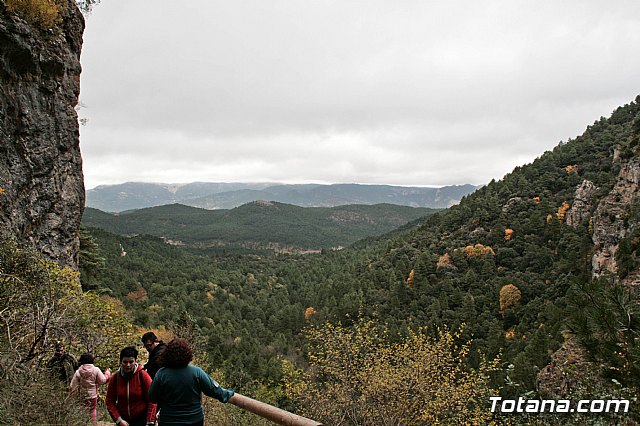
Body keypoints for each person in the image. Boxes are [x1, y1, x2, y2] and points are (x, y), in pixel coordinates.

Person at [148, 339, 234, 426]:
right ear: (187, 353)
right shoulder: (196, 372)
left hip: (169, 420)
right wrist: (227, 394)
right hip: (194, 420)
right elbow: (213, 390)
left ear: (167, 354)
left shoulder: (161, 374)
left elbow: (152, 397)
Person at [106, 346, 156, 426]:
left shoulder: (142, 375)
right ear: (121, 362)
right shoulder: (115, 378)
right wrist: (118, 420)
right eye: (125, 362)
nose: (128, 365)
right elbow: (109, 401)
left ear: (135, 361)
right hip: (123, 420)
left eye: (131, 362)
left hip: (141, 419)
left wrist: (150, 421)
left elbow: (152, 399)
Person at [69, 353, 112, 426]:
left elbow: (72, 385)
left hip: (82, 396)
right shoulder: (96, 370)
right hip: (92, 395)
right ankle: (93, 424)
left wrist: (71, 394)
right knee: (93, 410)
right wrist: (107, 374)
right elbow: (102, 380)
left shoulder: (78, 371)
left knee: (82, 410)